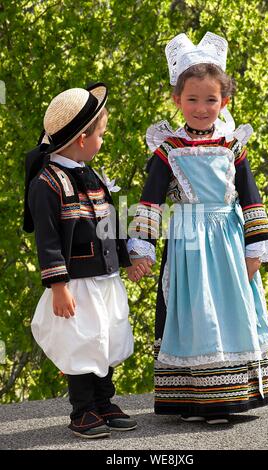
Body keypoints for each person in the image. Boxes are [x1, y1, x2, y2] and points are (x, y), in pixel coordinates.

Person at [127, 32, 268, 424]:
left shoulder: (233, 146)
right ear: (177, 100)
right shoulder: (167, 149)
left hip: (229, 245)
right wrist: (140, 248)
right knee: (194, 312)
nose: (201, 107)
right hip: (188, 245)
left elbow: (251, 197)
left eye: (210, 100)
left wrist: (255, 248)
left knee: (231, 312)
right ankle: (197, 398)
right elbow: (150, 201)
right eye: (192, 99)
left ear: (224, 102)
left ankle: (227, 397)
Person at [23, 82, 138, 438]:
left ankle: (105, 401)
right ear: (83, 139)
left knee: (108, 335)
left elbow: (110, 222)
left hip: (105, 278)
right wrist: (58, 285)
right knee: (82, 341)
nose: (104, 141)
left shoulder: (92, 176)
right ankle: (83, 410)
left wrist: (128, 257)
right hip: (76, 283)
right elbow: (48, 238)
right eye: (101, 135)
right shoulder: (48, 183)